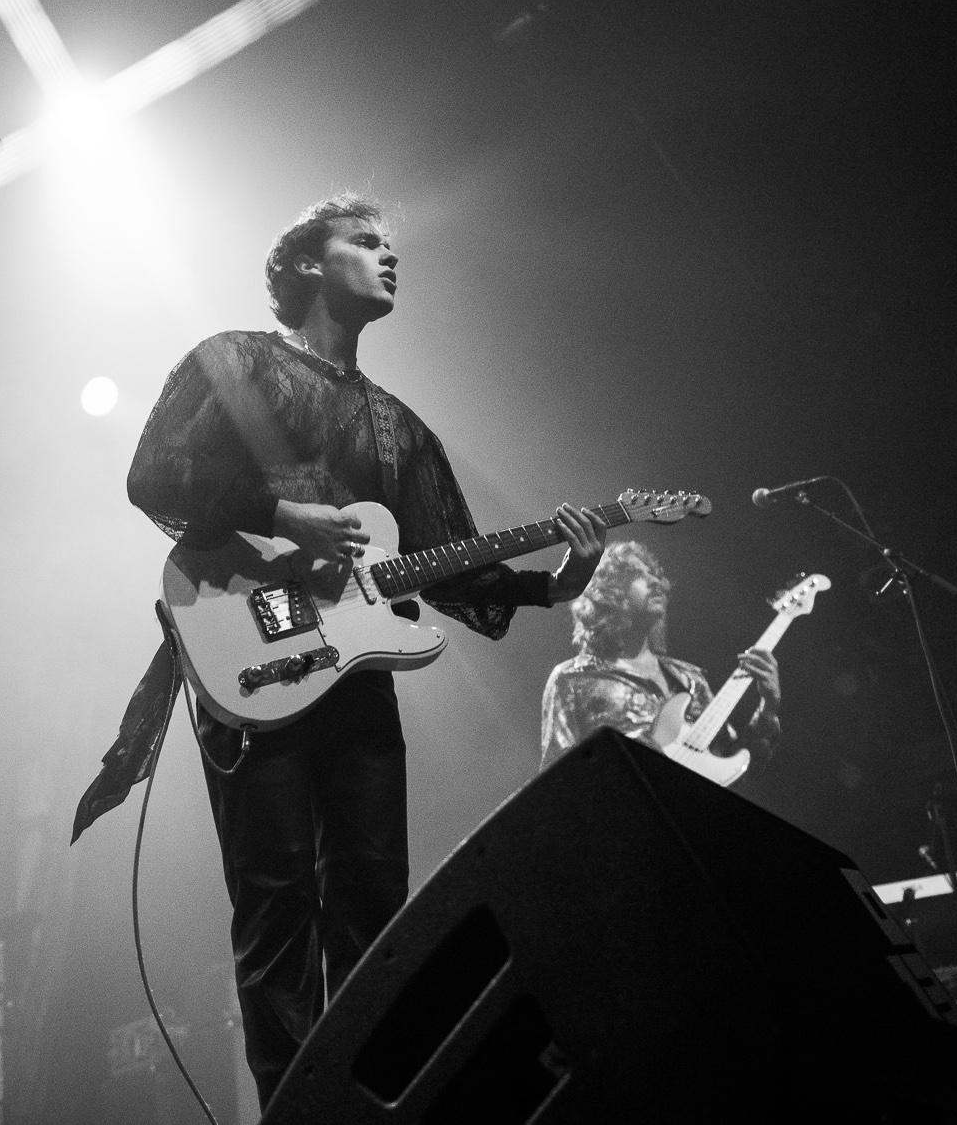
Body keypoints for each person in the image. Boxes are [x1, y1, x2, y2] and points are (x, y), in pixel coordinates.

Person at [123, 193, 610, 1106]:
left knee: (378, 906)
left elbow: (446, 562)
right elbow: (155, 475)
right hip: (250, 647)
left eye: (394, 247)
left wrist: (555, 581)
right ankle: (297, 1110)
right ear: (307, 262)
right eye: (366, 242)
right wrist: (279, 514)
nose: (391, 257)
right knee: (275, 904)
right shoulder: (234, 360)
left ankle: (382, 1099)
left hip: (355, 672)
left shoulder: (403, 428)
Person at [539, 538, 781, 771]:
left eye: (655, 574)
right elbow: (559, 780)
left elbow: (731, 765)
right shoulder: (573, 679)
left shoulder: (691, 679)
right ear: (609, 593)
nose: (657, 582)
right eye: (638, 575)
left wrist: (768, 707)